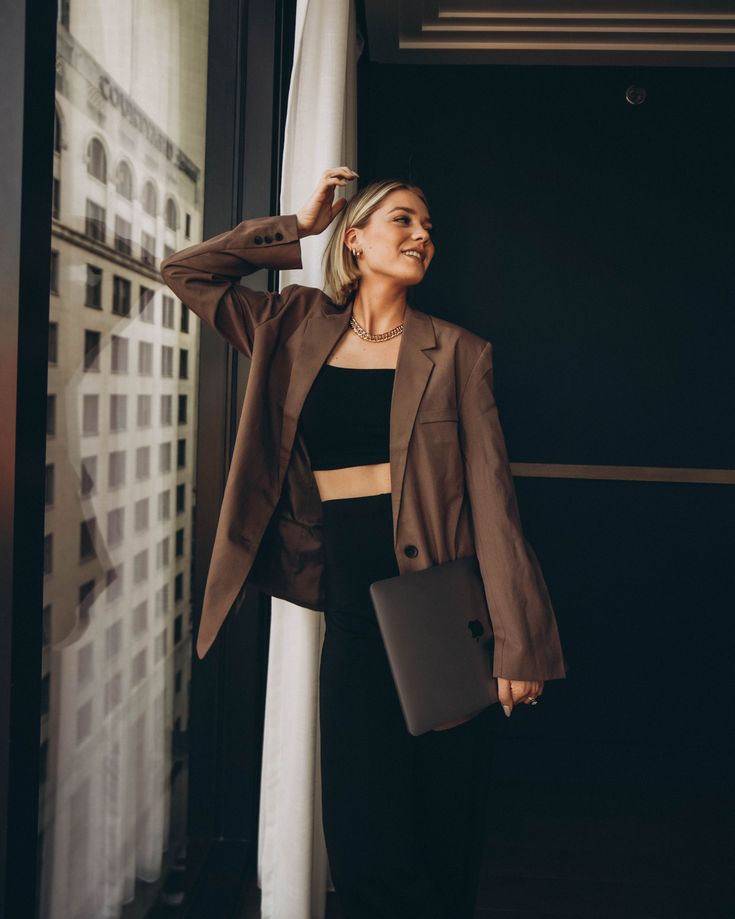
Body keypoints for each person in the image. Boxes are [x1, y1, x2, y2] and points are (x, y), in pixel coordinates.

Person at [161, 167, 567, 918]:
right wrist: (299, 225)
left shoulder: (457, 352)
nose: (421, 236)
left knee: (443, 831)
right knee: (361, 830)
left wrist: (520, 643)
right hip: (351, 610)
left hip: (442, 611)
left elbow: (493, 503)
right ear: (356, 242)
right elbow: (185, 271)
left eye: (428, 229)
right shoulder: (289, 326)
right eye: (404, 221)